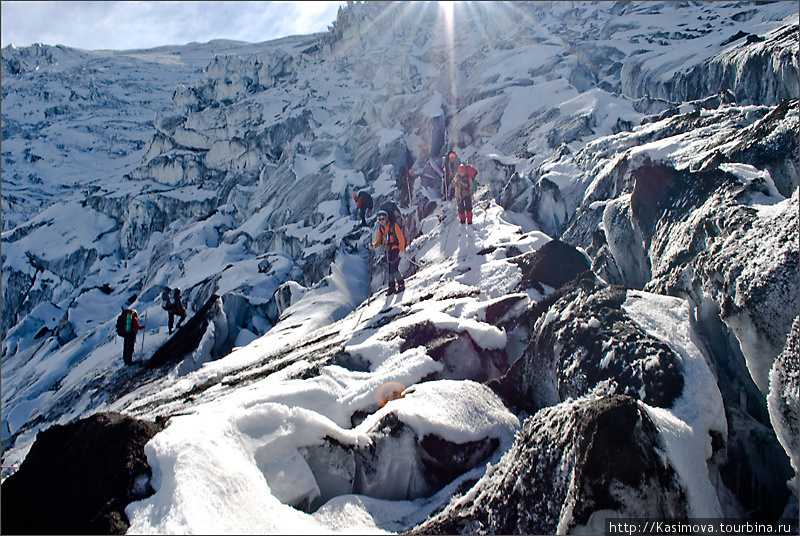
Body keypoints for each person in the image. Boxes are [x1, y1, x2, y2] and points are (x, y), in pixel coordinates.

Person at [373, 210, 405, 295]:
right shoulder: (381, 229)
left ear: (386, 218)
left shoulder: (394, 226)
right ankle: (391, 287)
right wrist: (373, 246)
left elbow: (401, 238)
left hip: (396, 249)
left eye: (382, 219)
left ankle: (401, 284)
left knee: (394, 268)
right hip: (389, 250)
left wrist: (401, 250)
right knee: (389, 270)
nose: (381, 221)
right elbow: (379, 241)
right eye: (379, 219)